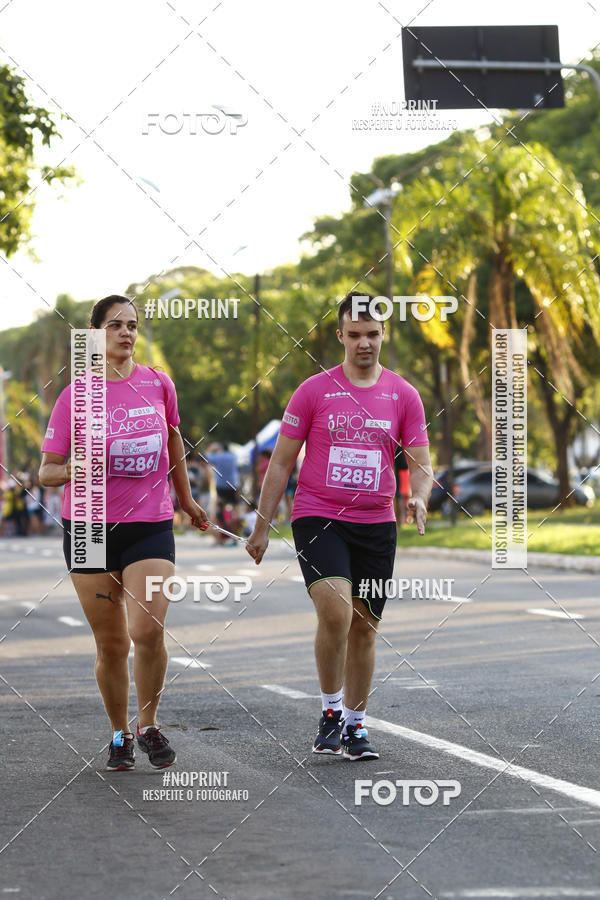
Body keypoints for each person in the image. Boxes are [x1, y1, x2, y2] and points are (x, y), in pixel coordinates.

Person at [246, 291, 433, 760]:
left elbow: (421, 461)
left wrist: (420, 497)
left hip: (376, 523)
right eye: (354, 335)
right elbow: (281, 464)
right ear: (340, 337)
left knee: (365, 626)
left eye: (372, 334)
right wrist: (262, 526)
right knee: (335, 613)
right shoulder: (314, 391)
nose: (364, 343)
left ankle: (355, 726)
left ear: (383, 335)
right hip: (318, 515)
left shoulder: (403, 394)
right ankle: (330, 711)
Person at [39, 295, 207, 771]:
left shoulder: (158, 383)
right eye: (115, 325)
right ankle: (118, 733)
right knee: (112, 644)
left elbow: (173, 437)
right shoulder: (76, 395)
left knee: (146, 630)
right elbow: (46, 473)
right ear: (96, 334)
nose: (127, 333)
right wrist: (79, 465)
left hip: (150, 524)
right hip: (89, 527)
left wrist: (187, 499)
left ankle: (148, 724)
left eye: (133, 325)